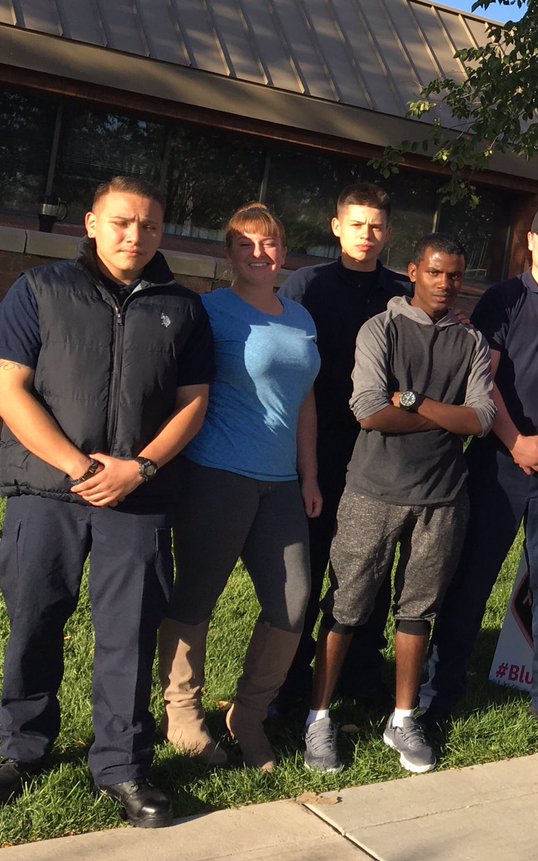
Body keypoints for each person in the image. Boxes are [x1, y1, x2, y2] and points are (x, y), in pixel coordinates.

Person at [0, 176, 214, 827]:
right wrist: (79, 466)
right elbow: (10, 388)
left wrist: (140, 467)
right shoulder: (39, 290)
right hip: (46, 491)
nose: (136, 235)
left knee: (129, 632)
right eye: (123, 222)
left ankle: (121, 764)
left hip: (139, 499)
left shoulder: (184, 306)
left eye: (150, 225)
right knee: (35, 618)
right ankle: (20, 747)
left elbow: (194, 403)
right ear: (91, 222)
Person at [302, 234, 495, 775]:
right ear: (414, 271)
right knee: (346, 608)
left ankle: (403, 717)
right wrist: (445, 416)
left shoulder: (472, 342)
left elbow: (480, 419)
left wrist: (413, 401)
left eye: (455, 275)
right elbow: (366, 410)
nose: (445, 284)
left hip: (441, 497)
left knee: (418, 610)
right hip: (372, 492)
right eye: (435, 273)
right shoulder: (380, 329)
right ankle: (317, 717)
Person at [420, 203, 538, 746]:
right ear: (529, 242)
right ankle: (440, 691)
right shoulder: (504, 299)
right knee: (471, 579)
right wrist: (515, 441)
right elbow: (484, 378)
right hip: (499, 461)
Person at [158, 204, 321, 771]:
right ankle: (181, 713)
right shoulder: (208, 311)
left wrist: (310, 474)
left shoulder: (301, 318)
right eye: (246, 244)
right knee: (198, 593)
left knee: (293, 601)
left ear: (284, 251)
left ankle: (247, 715)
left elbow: (305, 400)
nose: (259, 253)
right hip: (217, 473)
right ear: (228, 253)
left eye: (270, 242)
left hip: (280, 483)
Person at [276, 184, 412, 715]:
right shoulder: (305, 285)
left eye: (376, 226)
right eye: (356, 224)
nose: (367, 234)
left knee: (370, 567)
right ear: (337, 227)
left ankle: (359, 672)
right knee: (306, 567)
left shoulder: (401, 293)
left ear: (388, 233)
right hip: (317, 444)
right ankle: (290, 680)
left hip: (379, 448)